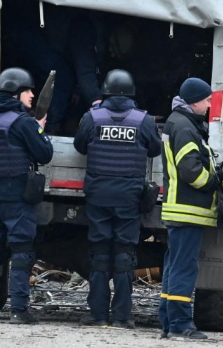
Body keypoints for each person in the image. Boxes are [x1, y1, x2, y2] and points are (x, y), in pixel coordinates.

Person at [72, 69, 162, 329]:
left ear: (106, 92)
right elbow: (155, 149)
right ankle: (122, 316)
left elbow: (79, 146)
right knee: (125, 254)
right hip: (129, 196)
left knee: (100, 252)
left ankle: (98, 315)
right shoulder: (143, 120)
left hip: (98, 195)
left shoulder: (92, 117)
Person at [0, 67, 54, 324]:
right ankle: (19, 310)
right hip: (18, 199)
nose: (32, 95)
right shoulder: (23, 123)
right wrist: (39, 129)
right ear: (17, 94)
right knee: (21, 253)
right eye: (28, 90)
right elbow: (45, 154)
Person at [158, 77, 223, 340]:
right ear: (195, 101)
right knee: (184, 268)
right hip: (187, 210)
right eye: (207, 100)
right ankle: (180, 325)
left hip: (180, 211)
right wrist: (213, 182)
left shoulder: (179, 122)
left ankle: (168, 321)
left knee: (175, 266)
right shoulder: (185, 127)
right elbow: (190, 171)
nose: (209, 105)